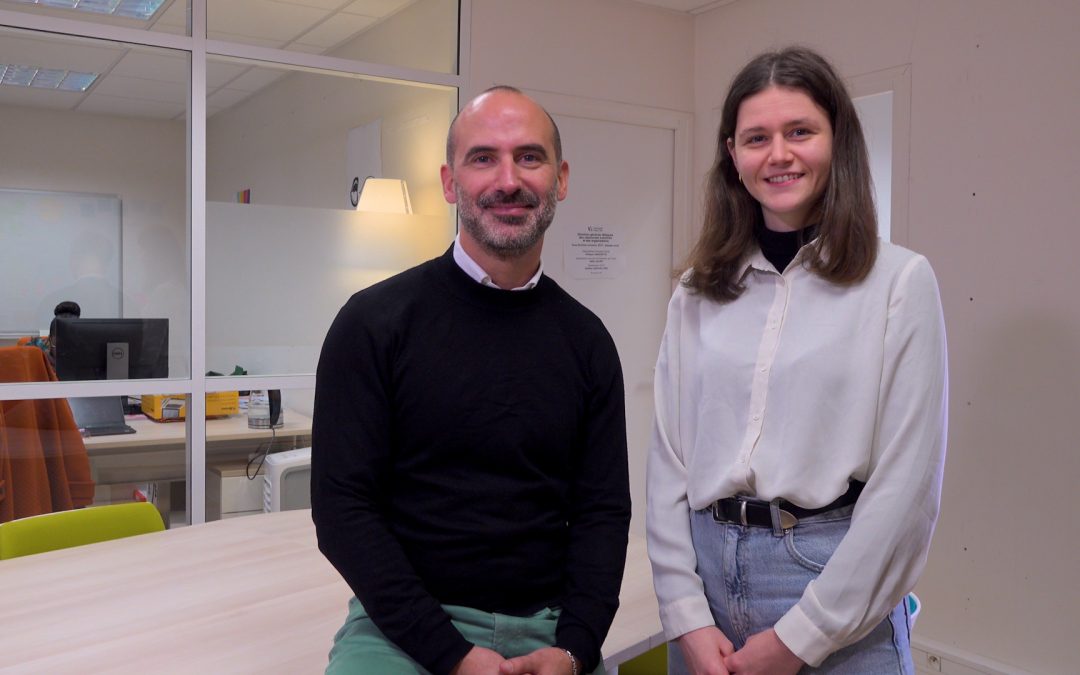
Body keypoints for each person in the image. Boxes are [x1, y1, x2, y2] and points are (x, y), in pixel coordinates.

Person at [646, 47, 948, 674]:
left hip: (830, 585)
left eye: (800, 132)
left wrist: (800, 639)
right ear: (733, 155)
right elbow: (668, 462)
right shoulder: (698, 290)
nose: (777, 154)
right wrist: (684, 613)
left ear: (838, 142)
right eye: (756, 138)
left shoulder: (898, 283)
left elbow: (905, 490)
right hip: (705, 591)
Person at [312, 86, 631, 675]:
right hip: (401, 629)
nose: (508, 179)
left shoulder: (587, 342)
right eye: (483, 158)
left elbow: (602, 512)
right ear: (449, 182)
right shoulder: (374, 323)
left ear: (560, 179)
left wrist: (576, 648)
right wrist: (451, 655)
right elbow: (342, 509)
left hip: (548, 629)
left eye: (529, 157)